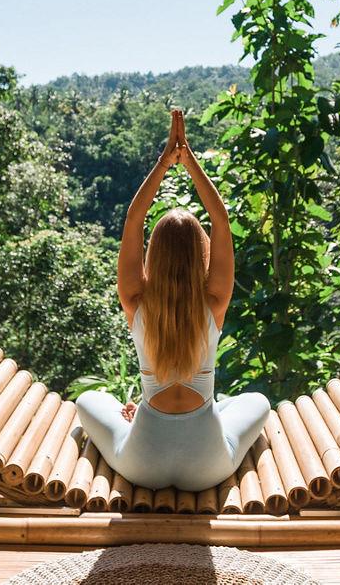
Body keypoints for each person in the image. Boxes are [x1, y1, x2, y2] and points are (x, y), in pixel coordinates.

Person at [74, 109, 270, 492]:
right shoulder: (215, 301)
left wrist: (164, 164)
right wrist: (189, 160)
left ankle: (143, 414)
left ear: (155, 255)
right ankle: (213, 406)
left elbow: (134, 219)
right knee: (258, 401)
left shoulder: (135, 300)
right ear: (202, 254)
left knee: (88, 401)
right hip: (209, 466)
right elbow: (221, 220)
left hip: (140, 463)